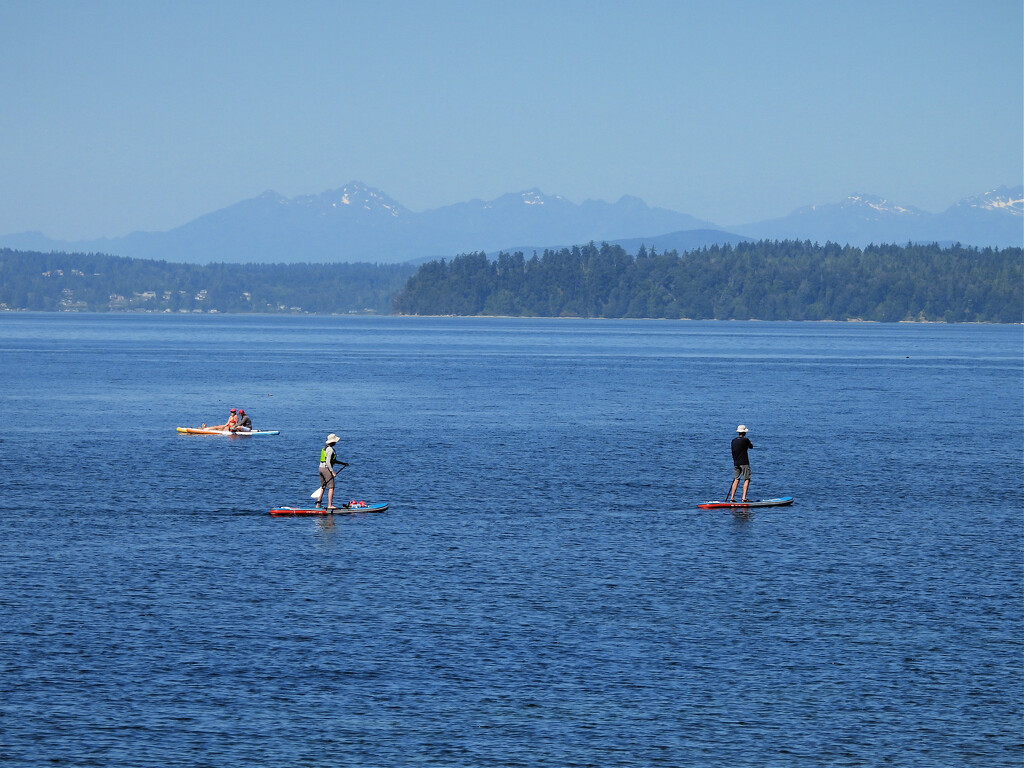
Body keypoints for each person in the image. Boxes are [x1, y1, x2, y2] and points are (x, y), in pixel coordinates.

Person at [318, 433, 348, 509]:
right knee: (331, 487)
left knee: (323, 486)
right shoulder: (330, 450)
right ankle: (330, 505)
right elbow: (328, 462)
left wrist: (343, 463)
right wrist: (332, 472)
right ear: (333, 442)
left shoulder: (325, 448)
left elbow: (332, 461)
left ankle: (318, 504)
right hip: (326, 469)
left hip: (320, 468)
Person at [728, 424, 754, 503]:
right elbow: (751, 446)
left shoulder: (733, 441)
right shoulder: (745, 440)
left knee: (736, 479)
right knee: (747, 479)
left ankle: (732, 498)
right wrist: (750, 443)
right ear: (744, 433)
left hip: (736, 462)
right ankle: (744, 498)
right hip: (744, 462)